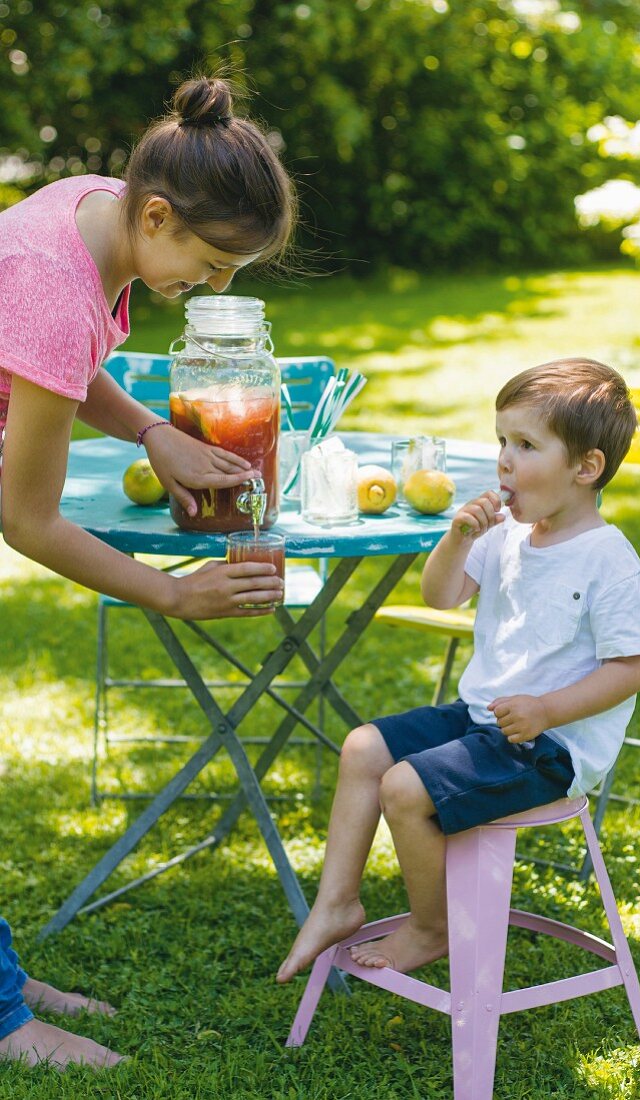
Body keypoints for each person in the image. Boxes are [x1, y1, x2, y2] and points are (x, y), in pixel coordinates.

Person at [0, 73, 296, 1069]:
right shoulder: (54, 273)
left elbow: (53, 362)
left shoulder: (97, 207)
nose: (212, 288)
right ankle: (4, 1020)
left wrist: (153, 432)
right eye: (209, 264)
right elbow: (25, 518)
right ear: (158, 215)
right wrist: (173, 590)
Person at [277, 357, 640, 983]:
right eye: (502, 439)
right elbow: (441, 594)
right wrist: (456, 538)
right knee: (364, 747)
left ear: (587, 468)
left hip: (550, 745)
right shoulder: (506, 531)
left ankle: (433, 928)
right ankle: (337, 902)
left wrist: (549, 710)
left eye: (526, 445)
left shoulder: (608, 559)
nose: (504, 458)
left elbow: (632, 668)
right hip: (485, 719)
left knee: (404, 788)